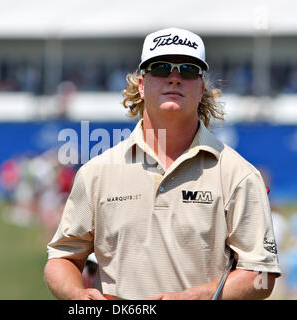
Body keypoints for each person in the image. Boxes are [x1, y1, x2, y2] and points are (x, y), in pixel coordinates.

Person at [45, 27, 281, 300]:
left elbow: (262, 277)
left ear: (202, 88)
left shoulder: (239, 175)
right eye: (161, 68)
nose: (175, 78)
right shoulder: (97, 173)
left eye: (188, 70)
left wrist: (197, 297)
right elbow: (62, 258)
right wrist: (76, 293)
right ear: (142, 85)